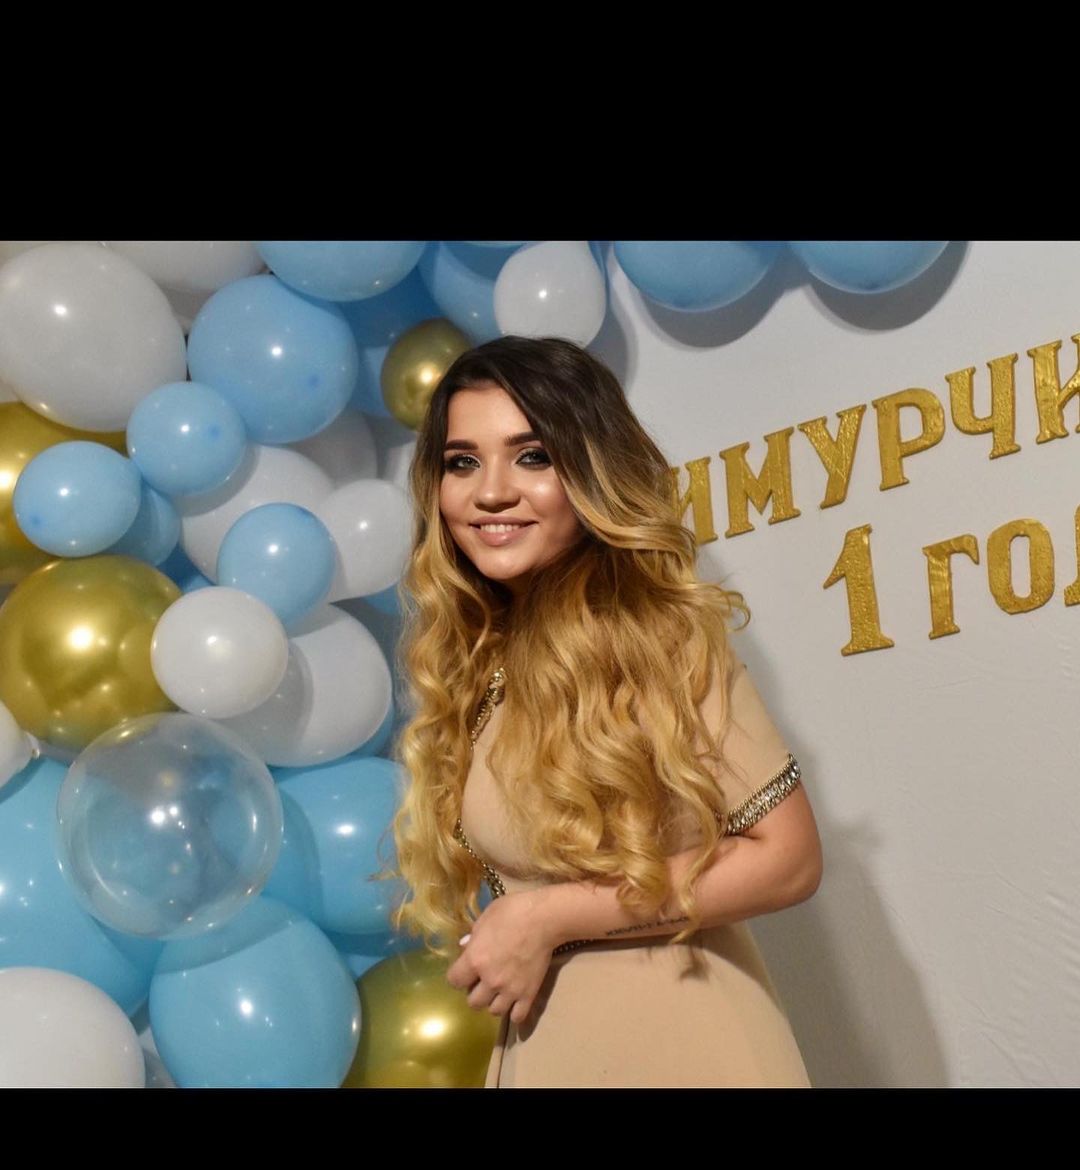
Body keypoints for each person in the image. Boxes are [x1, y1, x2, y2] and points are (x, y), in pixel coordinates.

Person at [392, 335, 823, 1088]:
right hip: (554, 1047)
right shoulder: (481, 659)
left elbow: (789, 860)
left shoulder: (653, 633)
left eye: (532, 456)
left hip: (686, 1047)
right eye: (462, 462)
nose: (491, 492)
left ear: (590, 472)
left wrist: (550, 916)